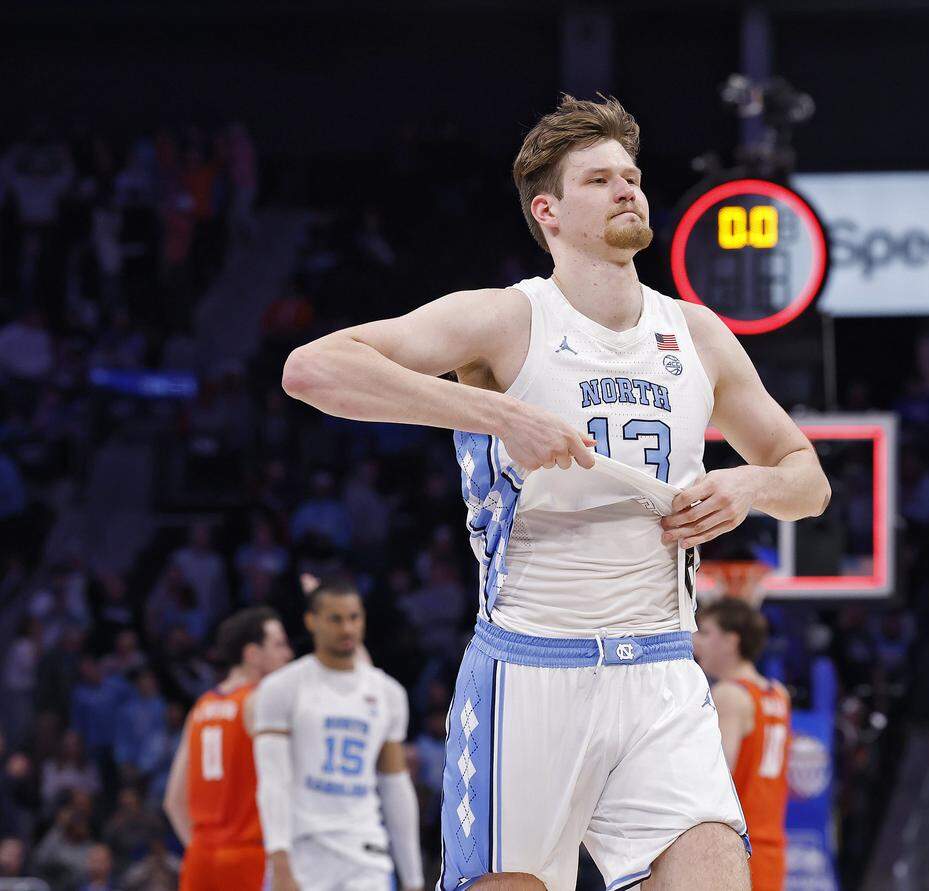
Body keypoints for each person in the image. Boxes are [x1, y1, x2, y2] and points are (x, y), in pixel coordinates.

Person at [281, 94, 829, 891]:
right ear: (549, 210)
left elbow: (806, 477)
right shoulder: (506, 319)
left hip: (662, 672)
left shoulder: (698, 332)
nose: (627, 190)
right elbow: (313, 368)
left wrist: (752, 483)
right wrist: (494, 411)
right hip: (531, 668)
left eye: (632, 176)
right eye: (600, 179)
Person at [253, 577, 423, 891]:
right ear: (311, 621)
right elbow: (273, 779)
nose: (347, 629)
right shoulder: (282, 688)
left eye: (354, 618)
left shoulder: (388, 693)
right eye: (335, 619)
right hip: (304, 850)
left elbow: (396, 787)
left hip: (366, 851)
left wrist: (413, 879)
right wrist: (279, 860)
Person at [164, 607, 293, 891]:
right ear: (252, 654)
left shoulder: (201, 707)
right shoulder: (259, 702)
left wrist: (206, 850)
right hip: (250, 855)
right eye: (279, 645)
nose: (289, 654)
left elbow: (173, 801)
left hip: (201, 857)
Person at [694, 599, 791, 891]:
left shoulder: (729, 694)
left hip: (738, 846)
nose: (695, 640)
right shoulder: (778, 693)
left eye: (705, 632)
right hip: (771, 842)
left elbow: (720, 776)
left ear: (731, 640)